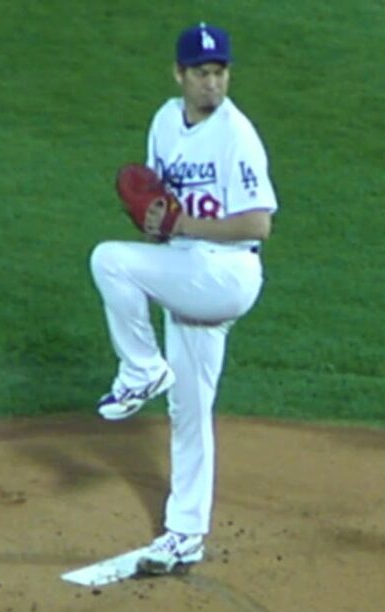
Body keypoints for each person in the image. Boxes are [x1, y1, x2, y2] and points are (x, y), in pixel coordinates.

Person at [88, 21, 277, 575]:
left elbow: (259, 224)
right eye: (201, 73)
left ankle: (142, 367)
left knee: (108, 259)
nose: (212, 84)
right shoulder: (165, 122)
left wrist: (183, 224)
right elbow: (159, 205)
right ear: (180, 74)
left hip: (227, 274)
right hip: (188, 270)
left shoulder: (237, 134)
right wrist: (157, 224)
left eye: (219, 73)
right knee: (189, 411)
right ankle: (185, 533)